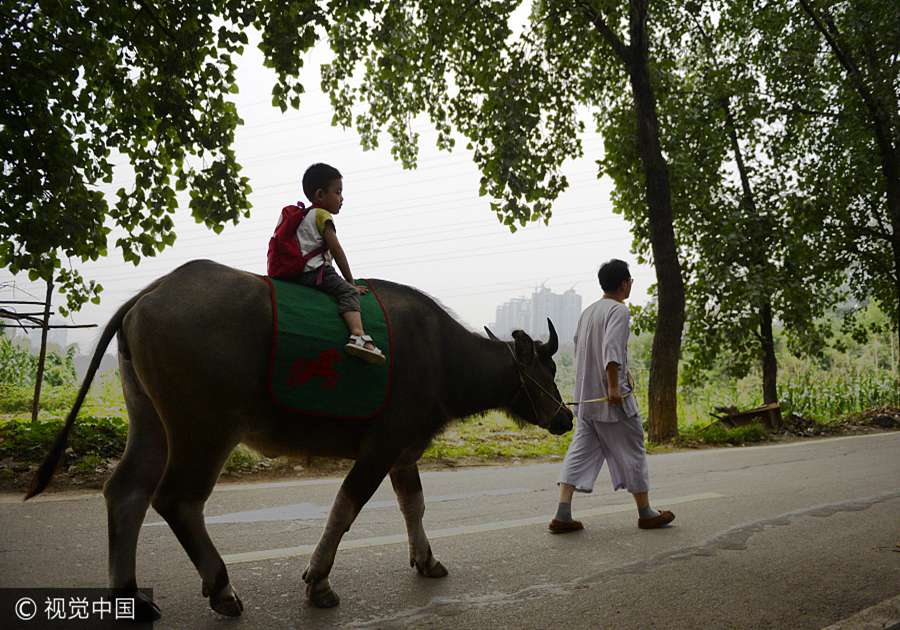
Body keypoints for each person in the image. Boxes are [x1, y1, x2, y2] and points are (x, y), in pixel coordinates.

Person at [549, 259, 674, 533]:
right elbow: (612, 351)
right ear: (624, 283)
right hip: (611, 402)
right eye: (630, 281)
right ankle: (646, 512)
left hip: (586, 401)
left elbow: (581, 351)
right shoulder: (619, 311)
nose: (630, 286)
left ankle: (563, 513)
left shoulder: (589, 312)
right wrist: (614, 388)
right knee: (634, 450)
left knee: (579, 453)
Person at [270, 162, 385, 364]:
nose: (342, 198)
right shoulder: (322, 215)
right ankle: (358, 335)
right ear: (320, 195)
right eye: (338, 192)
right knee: (347, 293)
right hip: (316, 272)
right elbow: (336, 250)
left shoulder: (303, 216)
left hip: (297, 273)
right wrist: (350, 282)